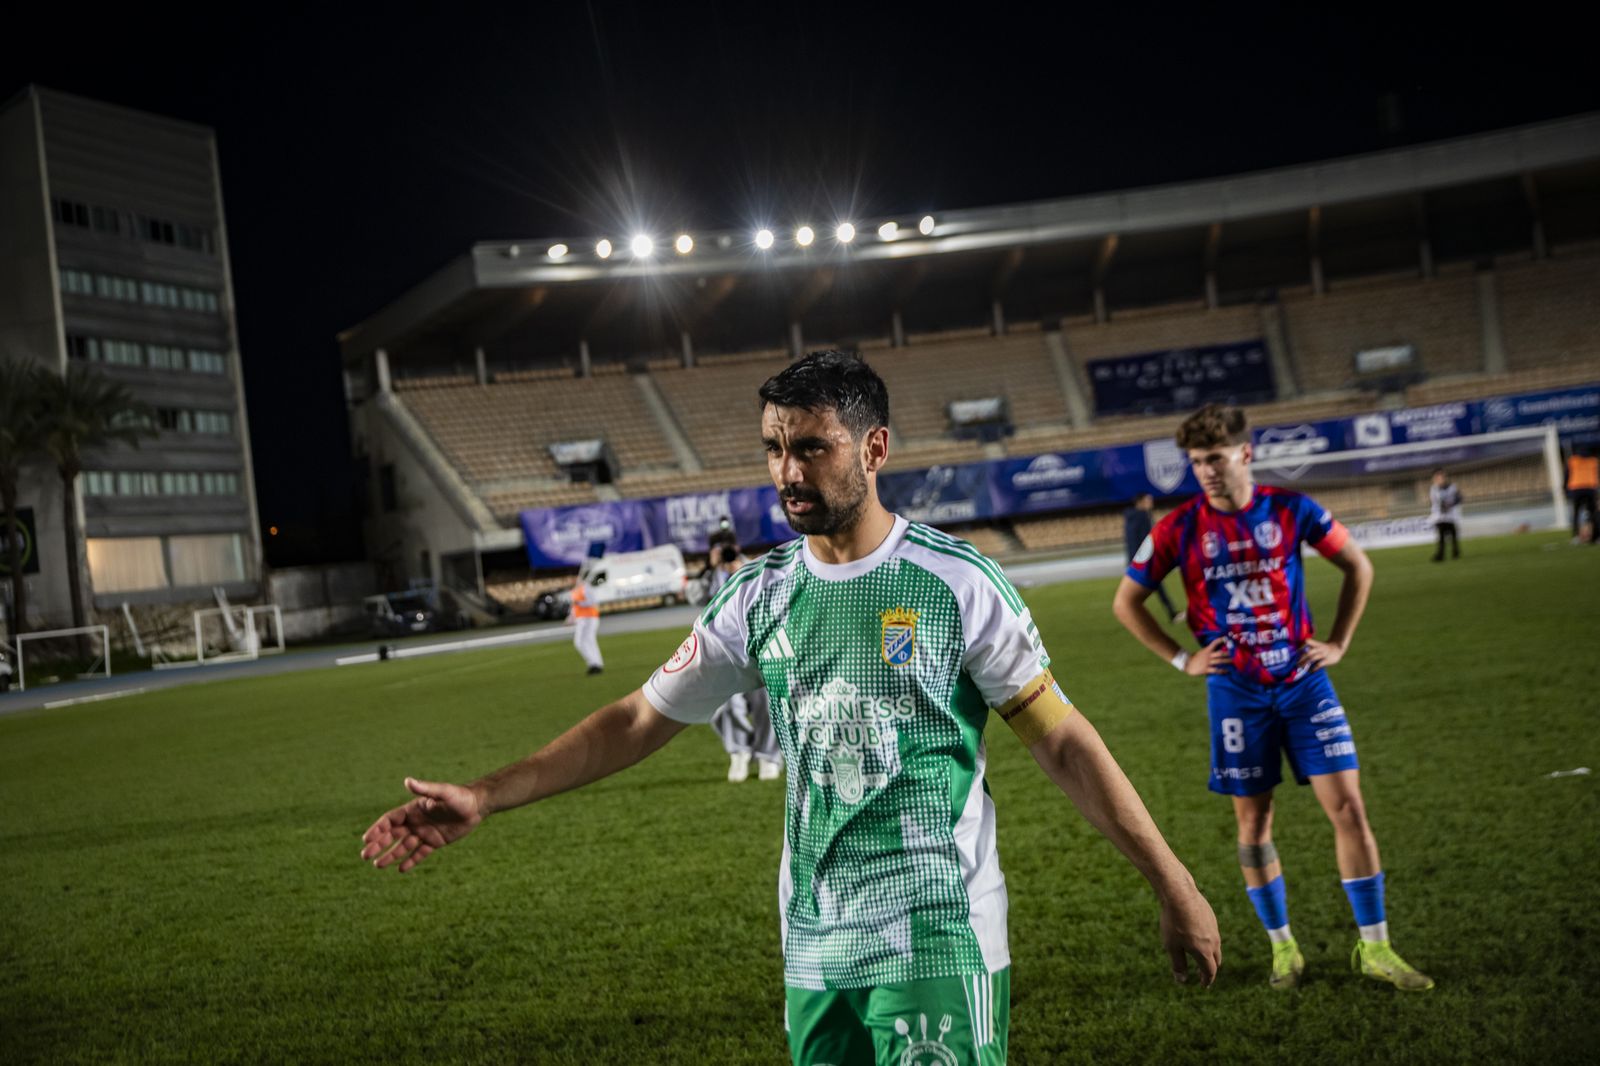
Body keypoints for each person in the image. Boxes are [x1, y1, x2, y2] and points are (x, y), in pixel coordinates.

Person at [361, 350, 1221, 1065]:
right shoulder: (757, 597)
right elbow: (634, 719)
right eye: (774, 448)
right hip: (815, 946)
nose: (787, 472)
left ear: (874, 447)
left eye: (812, 447)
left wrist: (1172, 882)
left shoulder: (957, 584)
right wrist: (486, 793)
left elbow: (1064, 742)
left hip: (936, 932)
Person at [1112, 403, 1432, 993]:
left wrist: (1337, 641)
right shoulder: (1177, 528)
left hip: (1304, 682)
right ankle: (1284, 950)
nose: (1205, 470)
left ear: (1245, 453)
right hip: (1235, 693)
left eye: (1214, 458)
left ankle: (1377, 949)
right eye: (1196, 462)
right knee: (1255, 823)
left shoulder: (1291, 510)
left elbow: (1357, 566)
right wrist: (1183, 658)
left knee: (1351, 810)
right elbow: (1125, 601)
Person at [704, 528, 783, 782]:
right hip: (723, 651)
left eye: (728, 546)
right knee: (723, 706)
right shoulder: (710, 575)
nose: (725, 551)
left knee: (766, 705)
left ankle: (768, 756)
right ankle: (739, 751)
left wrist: (738, 571)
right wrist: (709, 570)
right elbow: (695, 598)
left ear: (737, 547)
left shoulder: (757, 568)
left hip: (761, 647)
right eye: (719, 547)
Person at [1123, 493, 1182, 622]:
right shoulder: (1142, 516)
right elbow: (1147, 540)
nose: (1151, 502)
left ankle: (1171, 613)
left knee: (1149, 588)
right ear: (1140, 502)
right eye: (1148, 500)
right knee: (1144, 591)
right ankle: (1171, 614)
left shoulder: (1131, 517)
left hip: (1137, 560)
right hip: (1144, 560)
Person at [566, 570, 603, 675]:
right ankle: (595, 664)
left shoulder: (586, 588)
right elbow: (574, 608)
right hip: (582, 619)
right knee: (586, 641)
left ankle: (595, 664)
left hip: (589, 618)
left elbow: (593, 602)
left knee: (582, 641)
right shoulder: (575, 590)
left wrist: (579, 603)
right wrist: (570, 619)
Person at [1428, 468, 1462, 562]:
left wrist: (1451, 504)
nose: (1439, 479)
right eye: (1437, 477)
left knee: (1453, 535)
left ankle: (1455, 552)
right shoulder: (1434, 489)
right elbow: (1435, 501)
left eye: (1441, 477)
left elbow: (1459, 498)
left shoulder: (1452, 487)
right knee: (1441, 537)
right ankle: (1440, 555)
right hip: (1439, 517)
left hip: (1451, 516)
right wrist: (1443, 505)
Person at [1566, 445, 1598, 545]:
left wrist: (1565, 490)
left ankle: (1576, 537)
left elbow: (1567, 475)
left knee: (1576, 514)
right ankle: (1596, 537)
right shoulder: (1594, 461)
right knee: (1593, 514)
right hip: (1590, 488)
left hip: (1576, 488)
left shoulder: (1573, 460)